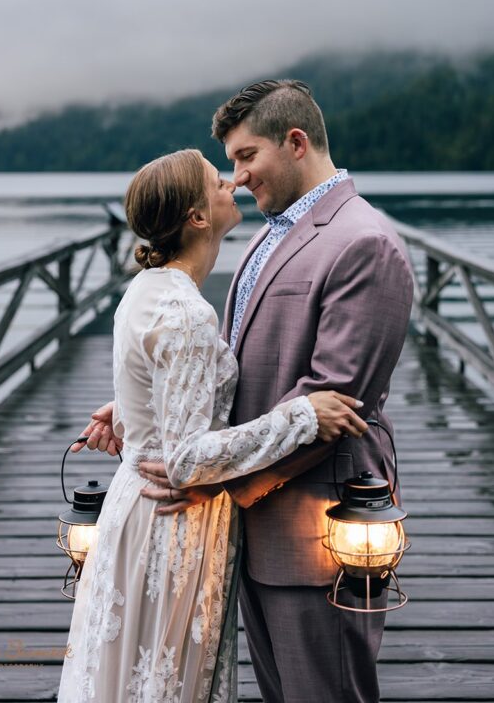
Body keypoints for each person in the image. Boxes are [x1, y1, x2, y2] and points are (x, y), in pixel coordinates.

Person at [57, 147, 367, 703]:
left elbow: (156, 384)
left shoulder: (145, 291)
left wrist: (130, 412)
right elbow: (186, 460)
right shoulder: (188, 313)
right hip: (172, 522)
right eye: (218, 180)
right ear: (198, 217)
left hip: (138, 504)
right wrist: (302, 416)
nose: (233, 183)